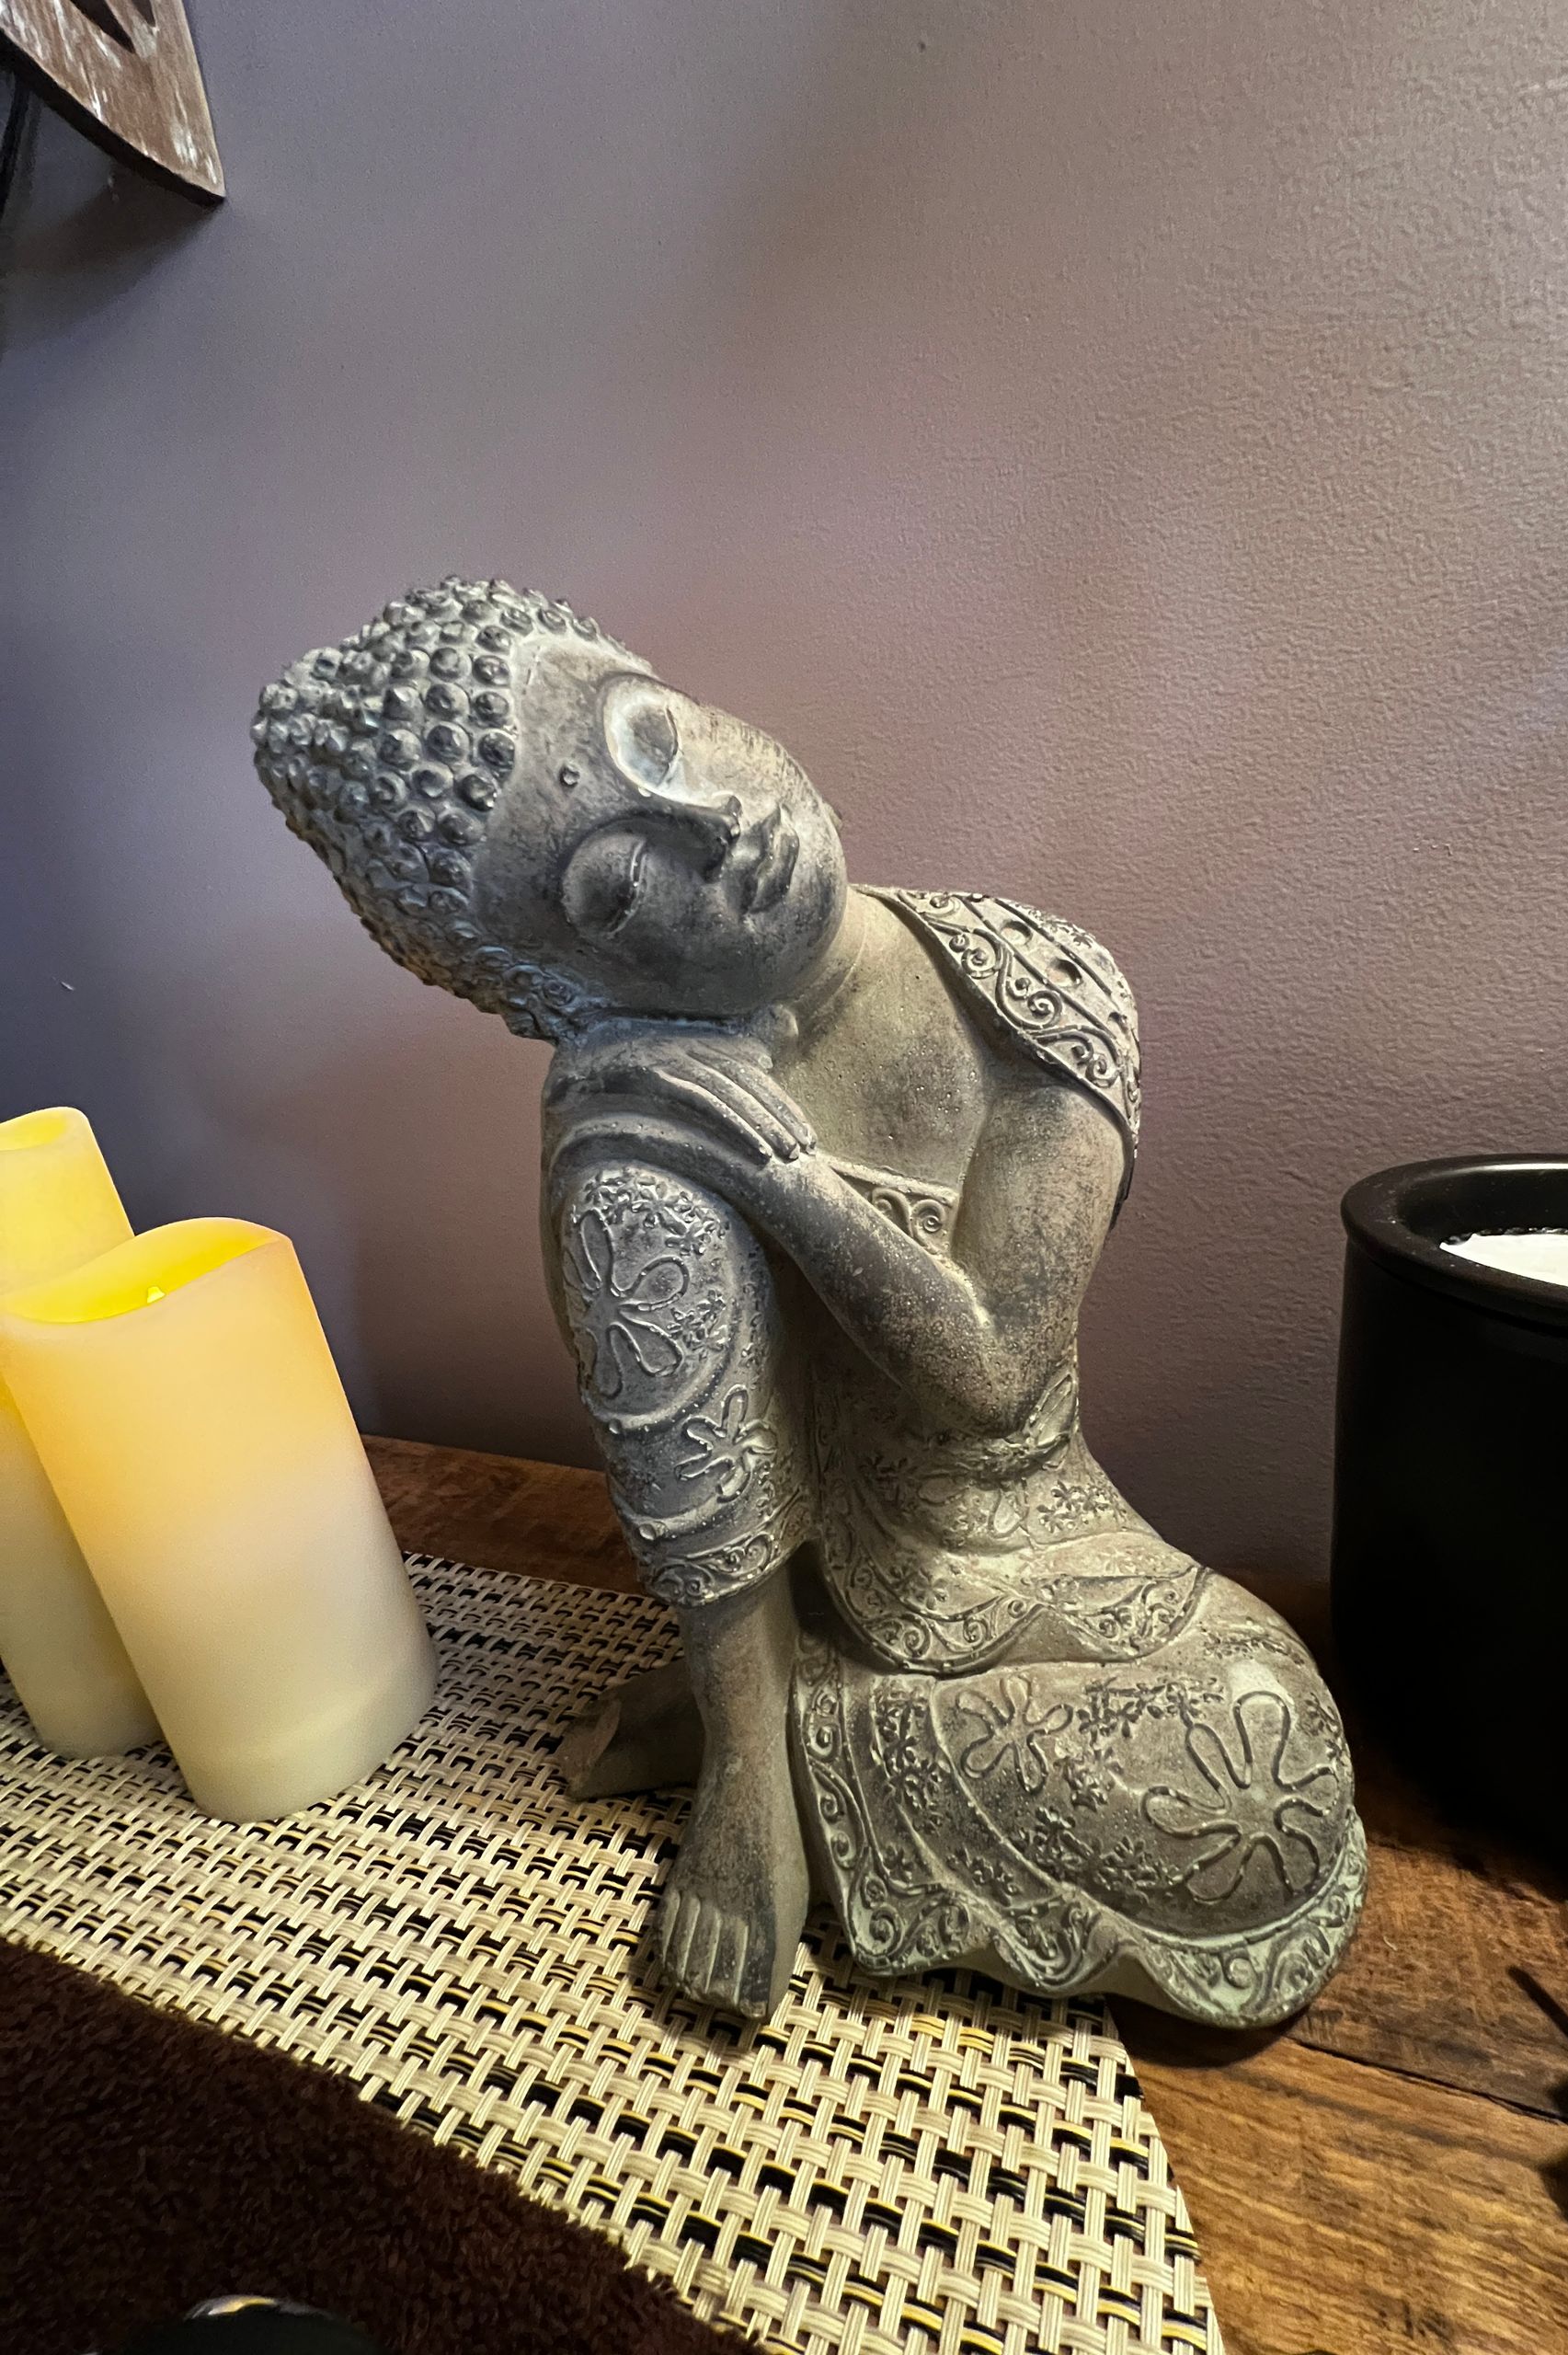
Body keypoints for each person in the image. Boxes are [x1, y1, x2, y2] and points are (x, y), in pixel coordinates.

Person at [255, 579, 1364, 2024]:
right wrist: (723, 1162)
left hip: (1045, 1555)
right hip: (834, 1564)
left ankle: (783, 1731)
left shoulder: (1029, 974)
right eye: (614, 884)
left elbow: (993, 1380)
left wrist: (791, 1176)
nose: (711, 831)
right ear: (562, 984)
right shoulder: (647, 1110)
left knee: (1259, 1772)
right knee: (632, 1177)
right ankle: (752, 1767)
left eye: (659, 737)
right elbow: (707, 1445)